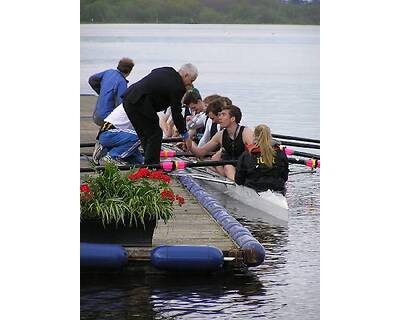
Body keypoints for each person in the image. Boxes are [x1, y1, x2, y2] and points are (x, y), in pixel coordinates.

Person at [122, 63, 198, 164]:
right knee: (155, 133)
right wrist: (185, 135)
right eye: (191, 80)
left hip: (129, 98)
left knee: (145, 134)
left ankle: (149, 165)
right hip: (140, 101)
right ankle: (152, 167)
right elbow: (176, 113)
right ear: (186, 75)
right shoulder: (178, 86)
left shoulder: (167, 70)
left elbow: (154, 72)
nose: (190, 84)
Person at [189, 104, 254, 180]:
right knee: (220, 164)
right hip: (229, 169)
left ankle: (237, 185)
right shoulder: (220, 135)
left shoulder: (246, 133)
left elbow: (255, 155)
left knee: (227, 167)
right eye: (220, 115)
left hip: (244, 169)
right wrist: (189, 143)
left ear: (232, 119)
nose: (220, 117)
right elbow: (201, 152)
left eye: (223, 115)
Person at [235, 124, 289, 192]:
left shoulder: (247, 154)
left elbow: (239, 180)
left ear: (254, 136)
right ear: (270, 136)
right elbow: (285, 176)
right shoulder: (280, 152)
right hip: (277, 189)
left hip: (254, 189)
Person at [88, 57, 134, 126]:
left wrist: (101, 92)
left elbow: (92, 80)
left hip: (96, 115)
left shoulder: (108, 72)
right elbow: (121, 105)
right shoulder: (122, 82)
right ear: (129, 71)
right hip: (108, 119)